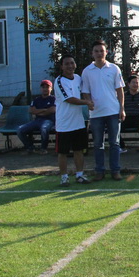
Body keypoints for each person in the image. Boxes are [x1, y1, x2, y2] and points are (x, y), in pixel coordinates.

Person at [81, 40, 126, 181]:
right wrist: (89, 103)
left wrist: (122, 108)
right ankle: (99, 171)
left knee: (115, 143)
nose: (99, 53)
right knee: (97, 144)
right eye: (96, 51)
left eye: (102, 50)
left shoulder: (114, 68)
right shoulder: (87, 71)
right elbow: (85, 91)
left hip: (113, 111)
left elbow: (120, 90)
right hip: (96, 114)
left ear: (106, 52)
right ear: (92, 53)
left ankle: (115, 171)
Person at [54, 54, 93, 186]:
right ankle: (64, 177)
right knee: (63, 152)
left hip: (78, 122)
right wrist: (87, 102)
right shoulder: (59, 81)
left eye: (72, 63)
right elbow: (70, 99)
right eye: (67, 64)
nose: (70, 66)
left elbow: (86, 90)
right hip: (64, 124)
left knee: (79, 150)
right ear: (61, 67)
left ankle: (80, 175)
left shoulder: (78, 78)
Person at [17, 79, 56, 154]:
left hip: (49, 121)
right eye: (43, 87)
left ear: (51, 88)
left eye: (47, 87)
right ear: (41, 89)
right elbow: (31, 110)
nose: (45, 89)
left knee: (44, 129)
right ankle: (30, 147)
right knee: (20, 130)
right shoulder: (36, 99)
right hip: (37, 121)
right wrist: (44, 110)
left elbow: (52, 110)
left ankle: (43, 148)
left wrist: (38, 111)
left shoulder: (53, 99)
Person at [120, 75, 139, 153]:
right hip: (125, 117)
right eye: (133, 82)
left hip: (138, 117)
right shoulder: (123, 95)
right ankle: (122, 147)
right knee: (114, 126)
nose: (135, 84)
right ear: (128, 84)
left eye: (137, 83)